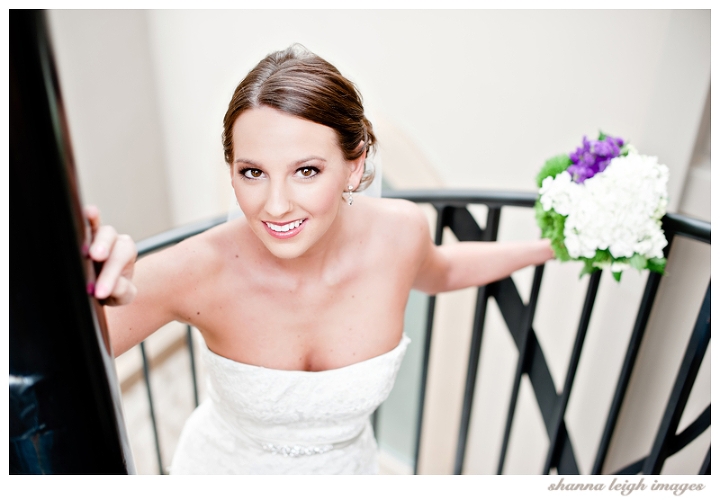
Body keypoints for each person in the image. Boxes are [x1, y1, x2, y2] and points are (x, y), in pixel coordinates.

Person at [86, 45, 554, 474]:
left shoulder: (400, 233)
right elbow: (49, 362)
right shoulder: (197, 268)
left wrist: (550, 246)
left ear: (355, 165)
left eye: (305, 171)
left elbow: (444, 270)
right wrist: (83, 289)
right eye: (253, 172)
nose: (275, 205)